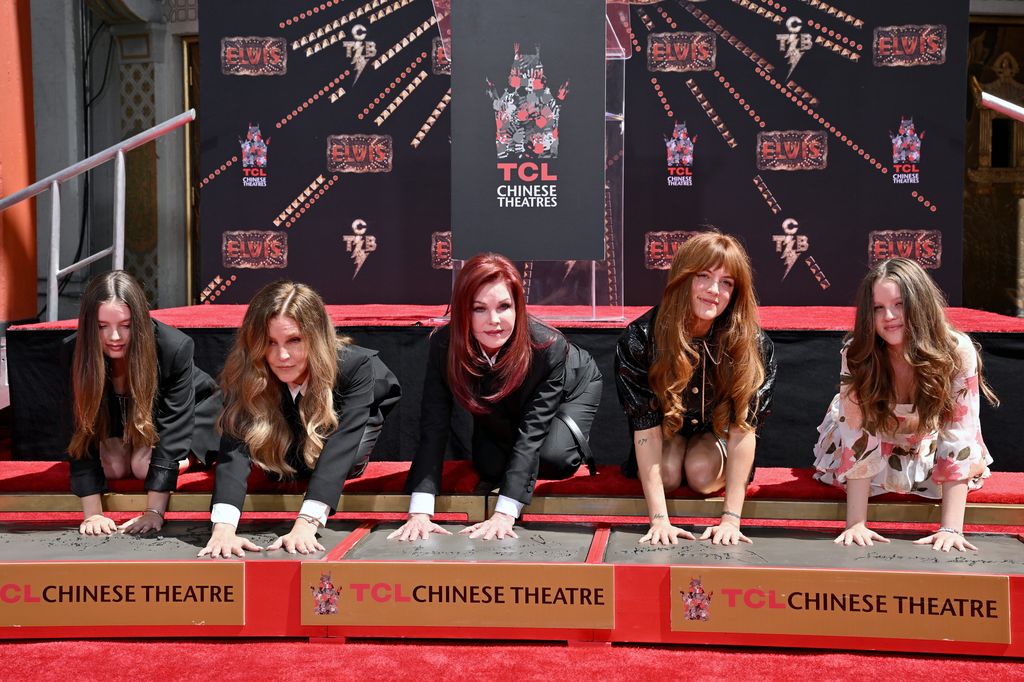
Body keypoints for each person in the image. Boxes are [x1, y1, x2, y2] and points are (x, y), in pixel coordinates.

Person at [390, 253, 603, 542]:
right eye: (480, 309)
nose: (494, 321)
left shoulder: (549, 348)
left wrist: (504, 514)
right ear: (465, 311)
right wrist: (419, 512)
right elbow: (433, 427)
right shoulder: (444, 344)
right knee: (488, 467)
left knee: (553, 458)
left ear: (519, 307)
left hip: (572, 386)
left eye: (504, 307)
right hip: (507, 393)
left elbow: (532, 432)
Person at [199, 281, 400, 558]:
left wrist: (306, 524)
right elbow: (234, 450)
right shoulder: (248, 369)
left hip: (346, 415)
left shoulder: (355, 367)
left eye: (294, 340)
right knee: (276, 467)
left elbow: (341, 445)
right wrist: (222, 530)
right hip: (288, 421)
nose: (282, 356)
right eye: (270, 342)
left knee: (344, 461)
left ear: (315, 338)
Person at [813, 258, 998, 552]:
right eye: (877, 308)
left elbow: (959, 433)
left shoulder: (956, 350)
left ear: (920, 302)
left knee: (960, 455)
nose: (889, 316)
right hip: (868, 441)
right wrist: (856, 524)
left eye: (900, 304)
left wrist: (950, 529)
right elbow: (858, 434)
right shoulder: (857, 352)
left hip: (928, 441)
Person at [615, 231, 776, 546]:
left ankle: (699, 456)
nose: (714, 290)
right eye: (704, 276)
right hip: (664, 430)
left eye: (727, 282)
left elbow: (745, 429)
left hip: (717, 434)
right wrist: (659, 521)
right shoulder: (640, 338)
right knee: (668, 474)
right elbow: (645, 429)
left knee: (701, 475)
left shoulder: (753, 344)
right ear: (682, 279)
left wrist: (730, 520)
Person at [65, 270, 220, 536]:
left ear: (139, 320)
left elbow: (174, 428)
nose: (115, 337)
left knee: (141, 468)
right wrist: (93, 515)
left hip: (192, 411)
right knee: (113, 467)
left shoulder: (173, 347)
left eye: (125, 325)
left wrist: (154, 512)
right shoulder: (74, 350)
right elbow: (79, 432)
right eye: (103, 326)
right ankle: (133, 445)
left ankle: (189, 460)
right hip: (127, 422)